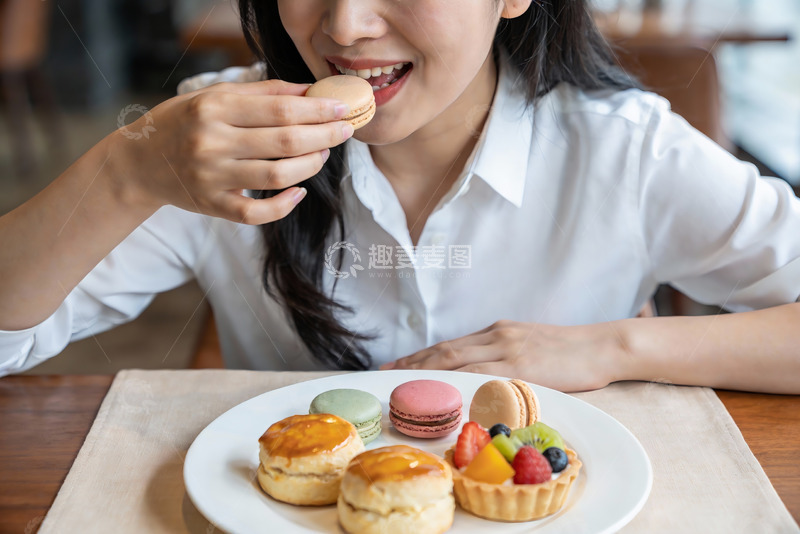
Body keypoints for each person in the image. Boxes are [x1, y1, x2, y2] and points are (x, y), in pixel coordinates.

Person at [0, 0, 798, 393]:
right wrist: (126, 171)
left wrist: (614, 350)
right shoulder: (212, 141)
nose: (344, 26)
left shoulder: (626, 152)